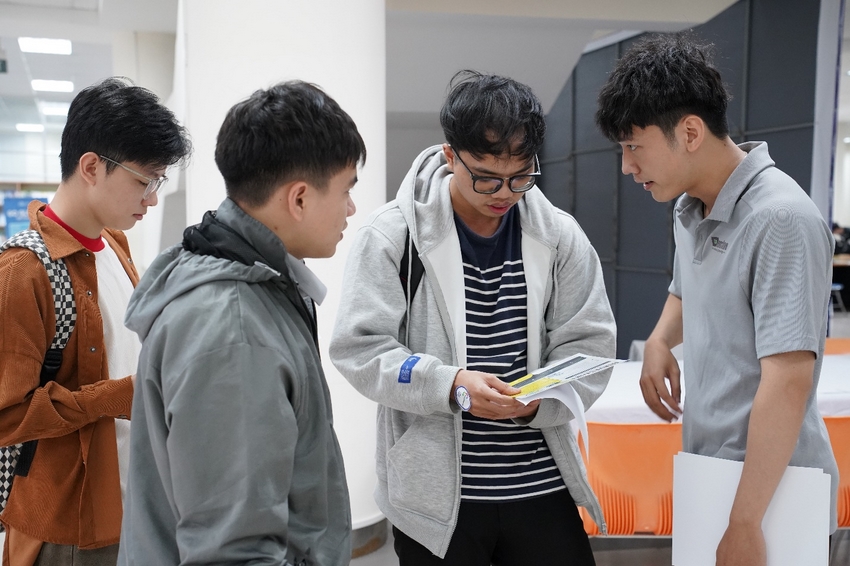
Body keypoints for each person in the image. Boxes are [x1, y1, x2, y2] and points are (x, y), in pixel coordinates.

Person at [330, 71, 615, 565]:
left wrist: (533, 403)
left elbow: (590, 346)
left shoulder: (561, 238)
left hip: (539, 483)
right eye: (484, 176)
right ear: (449, 155)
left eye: (521, 176)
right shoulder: (393, 236)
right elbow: (360, 348)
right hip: (436, 498)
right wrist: (451, 384)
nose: (502, 192)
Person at [595, 33, 839, 565]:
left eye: (634, 147)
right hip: (712, 473)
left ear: (688, 132)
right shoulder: (692, 207)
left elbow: (789, 376)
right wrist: (659, 339)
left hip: (774, 491)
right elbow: (687, 288)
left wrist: (747, 521)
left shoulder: (780, 220)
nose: (627, 167)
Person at [116, 81, 365, 566]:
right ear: (298, 198)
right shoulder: (233, 329)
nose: (351, 209)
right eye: (346, 190)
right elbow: (231, 551)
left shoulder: (257, 285)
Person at [0, 77, 190, 566]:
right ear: (91, 167)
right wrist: (111, 398)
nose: (151, 199)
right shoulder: (23, 272)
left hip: (134, 501)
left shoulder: (115, 242)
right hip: (67, 525)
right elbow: (5, 416)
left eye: (158, 183)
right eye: (144, 181)